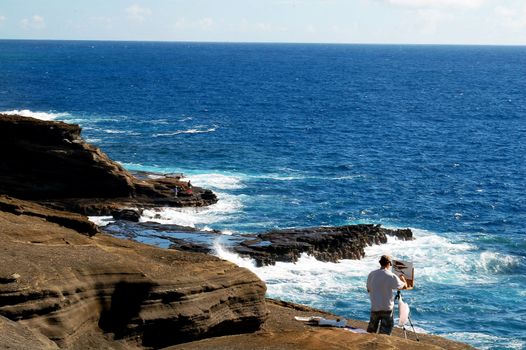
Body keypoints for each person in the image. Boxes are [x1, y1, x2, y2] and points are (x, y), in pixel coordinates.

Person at [366, 255, 407, 335]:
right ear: (388, 264)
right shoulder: (391, 276)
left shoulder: (372, 274)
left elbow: (368, 289)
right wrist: (403, 279)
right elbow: (404, 286)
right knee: (385, 334)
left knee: (371, 333)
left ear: (380, 263)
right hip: (386, 308)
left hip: (375, 307)